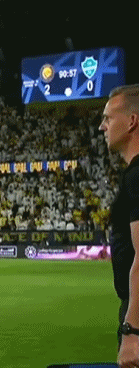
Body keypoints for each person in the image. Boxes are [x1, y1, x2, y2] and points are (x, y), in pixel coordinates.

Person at [100, 84, 139, 367]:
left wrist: (132, 330)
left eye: (108, 118)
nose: (102, 126)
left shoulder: (136, 176)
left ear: (132, 121)